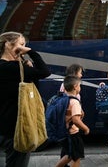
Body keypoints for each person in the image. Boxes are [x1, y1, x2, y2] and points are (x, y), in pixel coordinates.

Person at [0, 31, 51, 167]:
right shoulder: (13, 68)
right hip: (18, 128)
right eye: (21, 45)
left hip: (5, 127)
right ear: (7, 45)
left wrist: (28, 69)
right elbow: (45, 72)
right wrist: (31, 51)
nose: (23, 49)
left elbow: (34, 86)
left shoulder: (9, 67)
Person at [55, 75, 90, 167]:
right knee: (75, 156)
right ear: (75, 87)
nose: (80, 88)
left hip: (64, 132)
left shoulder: (62, 99)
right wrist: (86, 128)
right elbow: (76, 120)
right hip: (73, 134)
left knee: (71, 154)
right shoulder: (74, 102)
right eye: (79, 86)